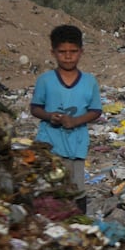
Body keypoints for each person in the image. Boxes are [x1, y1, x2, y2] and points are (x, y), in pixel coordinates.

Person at [30, 24, 103, 193]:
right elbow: (35, 108)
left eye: (73, 51)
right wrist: (50, 116)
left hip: (76, 143)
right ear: (53, 53)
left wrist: (76, 121)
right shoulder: (45, 80)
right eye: (62, 52)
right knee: (49, 188)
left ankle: (77, 218)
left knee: (75, 188)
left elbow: (95, 110)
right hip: (49, 142)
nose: (68, 57)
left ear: (81, 52)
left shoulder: (89, 81)